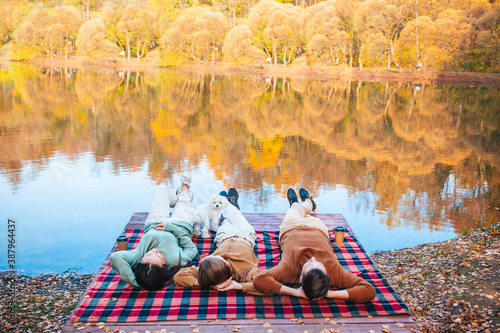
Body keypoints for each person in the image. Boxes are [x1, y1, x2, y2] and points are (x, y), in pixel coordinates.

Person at [253, 188, 376, 302]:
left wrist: (296, 292)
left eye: (308, 265)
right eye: (318, 263)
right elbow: (369, 290)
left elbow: (259, 280)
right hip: (318, 228)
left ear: (301, 278)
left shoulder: (288, 270)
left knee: (295, 211)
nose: (313, 259)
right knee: (301, 212)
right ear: (327, 275)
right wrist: (328, 293)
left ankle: (301, 203)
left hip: (291, 227)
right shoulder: (334, 271)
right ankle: (307, 203)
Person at [109, 172, 198, 291]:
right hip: (180, 224)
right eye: (158, 256)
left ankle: (177, 199)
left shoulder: (137, 257)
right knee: (184, 203)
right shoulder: (176, 259)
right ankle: (184, 192)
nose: (155, 251)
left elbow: (115, 257)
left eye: (149, 254)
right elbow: (192, 249)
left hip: (154, 222)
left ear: (140, 262)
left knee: (162, 189)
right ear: (163, 267)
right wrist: (171, 228)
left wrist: (136, 281)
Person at [173, 188, 265, 295]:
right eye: (216, 256)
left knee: (225, 218)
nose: (209, 256)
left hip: (224, 236)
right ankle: (229, 203)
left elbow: (179, 276)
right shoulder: (246, 271)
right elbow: (266, 285)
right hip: (245, 234)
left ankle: (224, 201)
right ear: (225, 264)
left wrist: (203, 282)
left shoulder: (209, 270)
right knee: (233, 214)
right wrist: (239, 286)